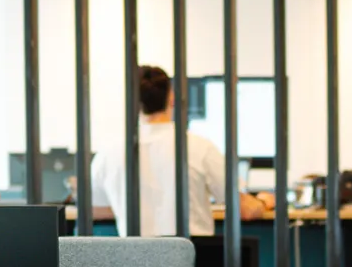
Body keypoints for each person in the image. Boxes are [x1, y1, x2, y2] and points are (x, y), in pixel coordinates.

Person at [92, 65, 256, 236]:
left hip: (135, 260)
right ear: (172, 98)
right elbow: (245, 209)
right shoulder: (199, 147)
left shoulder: (109, 154)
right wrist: (264, 201)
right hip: (192, 259)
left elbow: (93, 208)